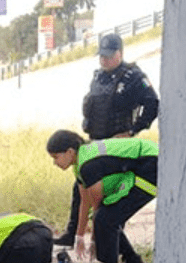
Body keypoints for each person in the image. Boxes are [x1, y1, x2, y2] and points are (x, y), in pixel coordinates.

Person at [55, 33, 159, 248]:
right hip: (94, 144)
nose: (104, 60)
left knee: (107, 205)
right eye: (101, 56)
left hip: (117, 151)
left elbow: (152, 104)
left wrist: (132, 131)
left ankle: (119, 252)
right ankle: (74, 232)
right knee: (81, 189)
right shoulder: (99, 77)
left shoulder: (133, 76)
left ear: (120, 53)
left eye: (109, 56)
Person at [47, 129, 157, 263]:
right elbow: (85, 201)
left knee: (106, 219)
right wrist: (78, 237)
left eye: (56, 157)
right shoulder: (80, 163)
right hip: (141, 165)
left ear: (70, 152)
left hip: (152, 167)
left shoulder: (88, 165)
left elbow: (97, 206)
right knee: (108, 218)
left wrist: (94, 240)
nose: (54, 163)